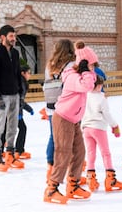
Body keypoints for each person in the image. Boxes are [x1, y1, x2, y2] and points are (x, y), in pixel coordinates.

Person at [43, 41, 97, 204]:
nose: (93, 68)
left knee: (79, 151)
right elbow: (87, 85)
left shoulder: (78, 73)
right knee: (63, 153)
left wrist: (88, 70)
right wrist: (86, 70)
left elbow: (93, 82)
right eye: (91, 65)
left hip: (73, 119)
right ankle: (51, 189)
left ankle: (73, 185)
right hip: (63, 117)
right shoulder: (71, 75)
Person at [81, 75, 122, 192]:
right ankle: (110, 180)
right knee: (106, 153)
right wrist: (114, 126)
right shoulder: (101, 98)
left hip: (86, 128)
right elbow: (107, 114)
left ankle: (91, 179)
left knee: (91, 154)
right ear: (99, 85)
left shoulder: (84, 96)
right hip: (98, 127)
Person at [0, 25, 24, 172]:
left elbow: (18, 74)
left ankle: (10, 153)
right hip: (2, 95)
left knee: (13, 126)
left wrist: (21, 93)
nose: (13, 38)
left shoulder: (15, 53)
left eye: (14, 36)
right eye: (11, 36)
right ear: (3, 37)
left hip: (15, 94)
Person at [43, 39, 76, 181]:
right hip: (66, 105)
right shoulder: (71, 65)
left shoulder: (49, 65)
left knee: (53, 135)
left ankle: (50, 166)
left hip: (51, 105)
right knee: (70, 137)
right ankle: (70, 166)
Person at [15, 64, 34, 159]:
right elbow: (17, 100)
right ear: (23, 73)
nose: (30, 75)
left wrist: (28, 108)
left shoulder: (22, 82)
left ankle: (18, 150)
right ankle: (18, 150)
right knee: (22, 128)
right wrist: (18, 113)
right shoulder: (21, 83)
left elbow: (21, 101)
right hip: (13, 111)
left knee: (20, 129)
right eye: (28, 73)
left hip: (13, 110)